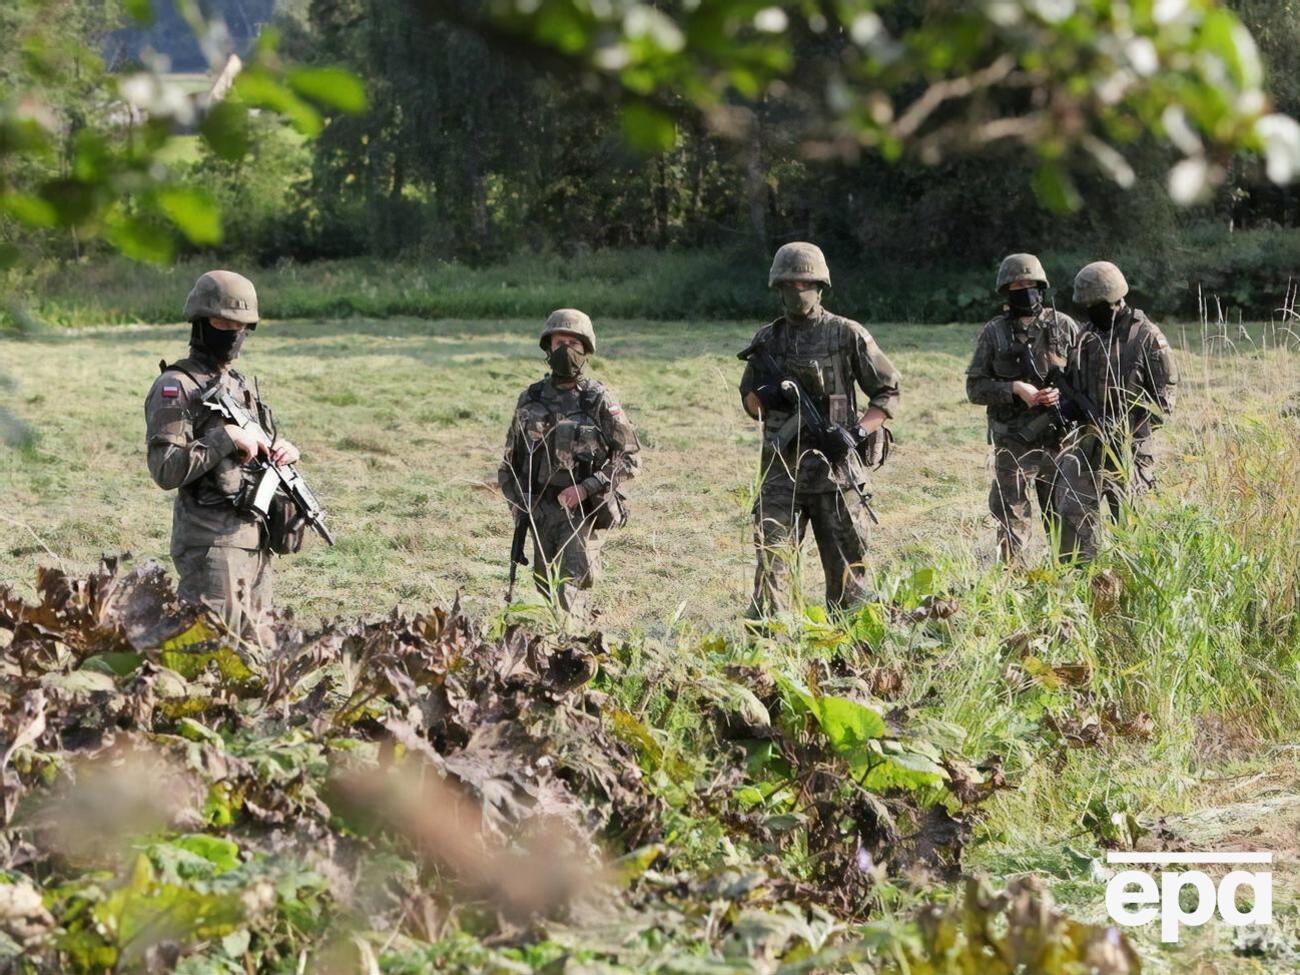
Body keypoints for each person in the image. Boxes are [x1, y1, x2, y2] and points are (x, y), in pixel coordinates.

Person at [739, 242, 900, 618]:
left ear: (820, 286)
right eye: (789, 285)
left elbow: (887, 391)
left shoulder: (847, 334)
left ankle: (852, 654)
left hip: (837, 475)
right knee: (771, 576)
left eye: (805, 284)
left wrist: (856, 434)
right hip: (782, 474)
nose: (797, 292)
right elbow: (750, 402)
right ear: (777, 287)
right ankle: (768, 654)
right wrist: (767, 396)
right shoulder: (767, 339)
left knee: (850, 584)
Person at [143, 270, 299, 648]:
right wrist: (224, 438)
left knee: (257, 652)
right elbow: (165, 469)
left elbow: (253, 459)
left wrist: (283, 454)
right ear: (200, 322)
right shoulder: (175, 386)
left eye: (241, 325)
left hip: (253, 539)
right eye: (222, 322)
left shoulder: (238, 385)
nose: (232, 332)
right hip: (210, 544)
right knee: (207, 651)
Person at [497, 309, 640, 621]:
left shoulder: (597, 399)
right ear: (548, 347)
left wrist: (586, 487)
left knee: (569, 587)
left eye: (575, 344)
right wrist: (519, 507)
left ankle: (570, 647)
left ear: (586, 351)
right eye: (560, 342)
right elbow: (509, 462)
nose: (566, 350)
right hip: (540, 511)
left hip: (583, 511)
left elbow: (629, 457)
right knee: (545, 585)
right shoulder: (531, 397)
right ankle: (569, 640)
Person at [1054, 261, 1178, 560]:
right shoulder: (1084, 337)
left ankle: (1130, 583)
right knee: (1072, 511)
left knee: (1131, 523)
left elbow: (1165, 401)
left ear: (1113, 300)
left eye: (1094, 305)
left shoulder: (1145, 337)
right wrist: (1068, 407)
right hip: (1088, 443)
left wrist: (1127, 426)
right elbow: (1071, 384)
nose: (1088, 312)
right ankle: (1082, 580)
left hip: (1129, 448)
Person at [966, 253, 1080, 561]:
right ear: (1006, 290)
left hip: (1059, 440)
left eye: (1030, 284)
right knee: (1011, 518)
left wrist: (1061, 397)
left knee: (1064, 517)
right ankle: (1013, 584)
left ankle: (1067, 582)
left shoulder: (1064, 327)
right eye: (1017, 285)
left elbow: (1085, 382)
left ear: (1041, 287)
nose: (1025, 290)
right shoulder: (994, 333)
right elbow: (974, 388)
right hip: (1012, 442)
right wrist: (1015, 389)